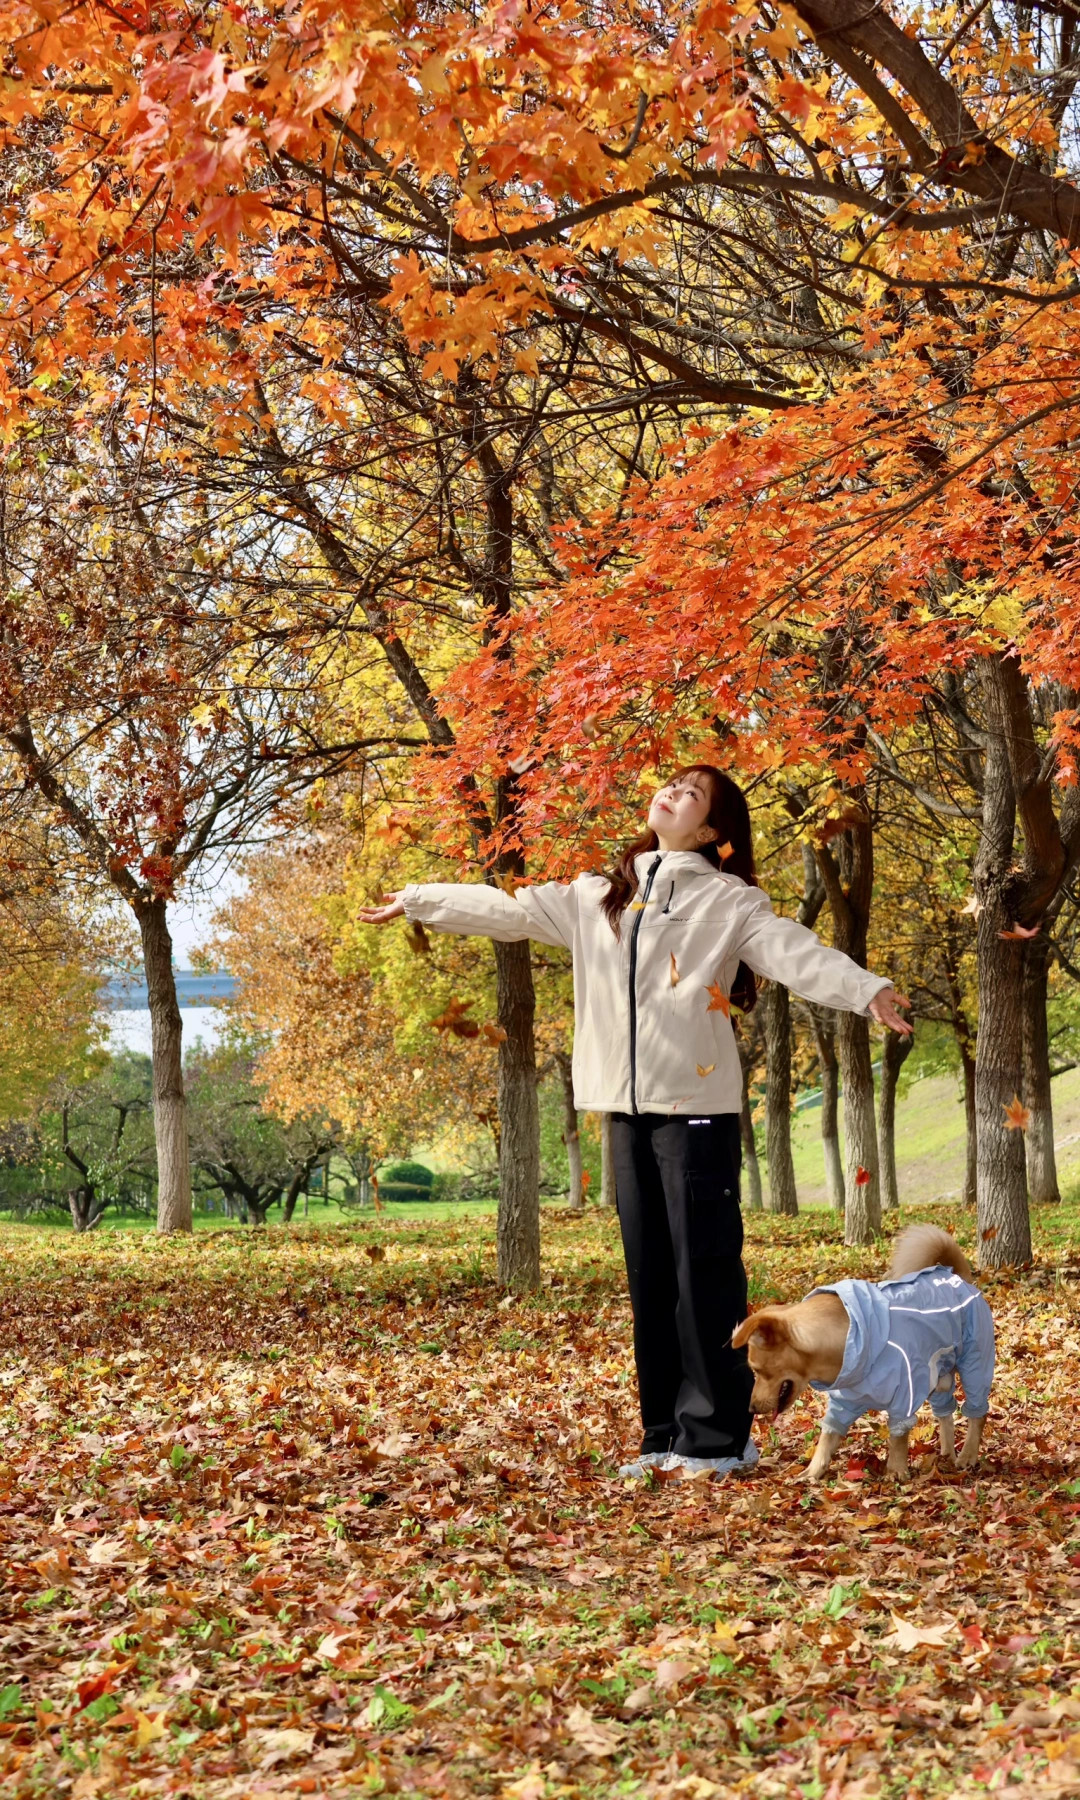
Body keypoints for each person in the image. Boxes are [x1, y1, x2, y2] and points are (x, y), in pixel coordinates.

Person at [359, 765, 911, 1479]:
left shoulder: (728, 901)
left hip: (697, 1113)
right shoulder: (597, 897)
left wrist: (868, 992)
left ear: (711, 830)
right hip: (621, 1110)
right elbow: (509, 911)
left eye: (692, 795)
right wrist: (419, 898)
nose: (672, 795)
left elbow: (796, 956)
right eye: (671, 784)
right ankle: (663, 1437)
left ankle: (718, 1440)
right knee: (650, 1274)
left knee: (701, 1271)